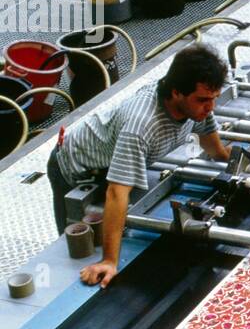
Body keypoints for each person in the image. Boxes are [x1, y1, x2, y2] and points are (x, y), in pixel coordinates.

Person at [47, 43, 230, 290]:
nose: (210, 108)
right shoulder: (142, 125)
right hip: (74, 168)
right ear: (176, 93)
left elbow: (216, 151)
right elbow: (116, 192)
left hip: (111, 163)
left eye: (215, 99)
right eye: (204, 100)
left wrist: (247, 160)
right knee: (79, 246)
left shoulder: (198, 106)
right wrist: (110, 262)